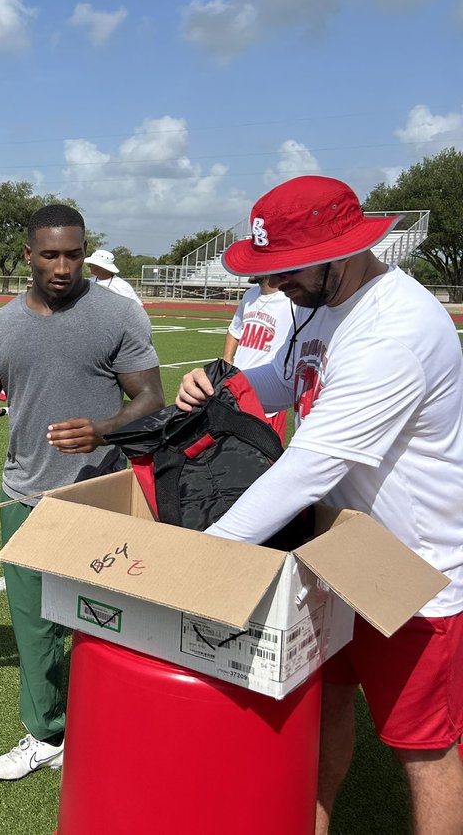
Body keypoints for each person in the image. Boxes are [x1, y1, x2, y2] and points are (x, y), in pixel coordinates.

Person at [174, 176, 463, 835]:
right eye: (268, 270)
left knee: (426, 752)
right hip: (341, 550)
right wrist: (228, 384)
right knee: (325, 709)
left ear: (346, 251)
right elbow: (288, 378)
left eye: (288, 269)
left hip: (413, 571)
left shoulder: (395, 329)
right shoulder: (322, 302)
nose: (275, 286)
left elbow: (309, 469)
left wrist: (198, 560)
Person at [0, 203, 163, 781]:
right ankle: (47, 733)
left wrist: (104, 428)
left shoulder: (117, 315)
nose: (62, 267)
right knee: (34, 628)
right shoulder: (0, 326)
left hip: (103, 495)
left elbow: (151, 397)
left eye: (73, 255)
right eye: (50, 255)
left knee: (109, 622)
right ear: (28, 255)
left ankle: (115, 726)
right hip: (25, 495)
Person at [221, 275, 293, 440]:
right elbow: (235, 330)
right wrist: (227, 360)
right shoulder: (250, 295)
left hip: (268, 395)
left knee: (266, 449)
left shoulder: (292, 300)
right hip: (236, 386)